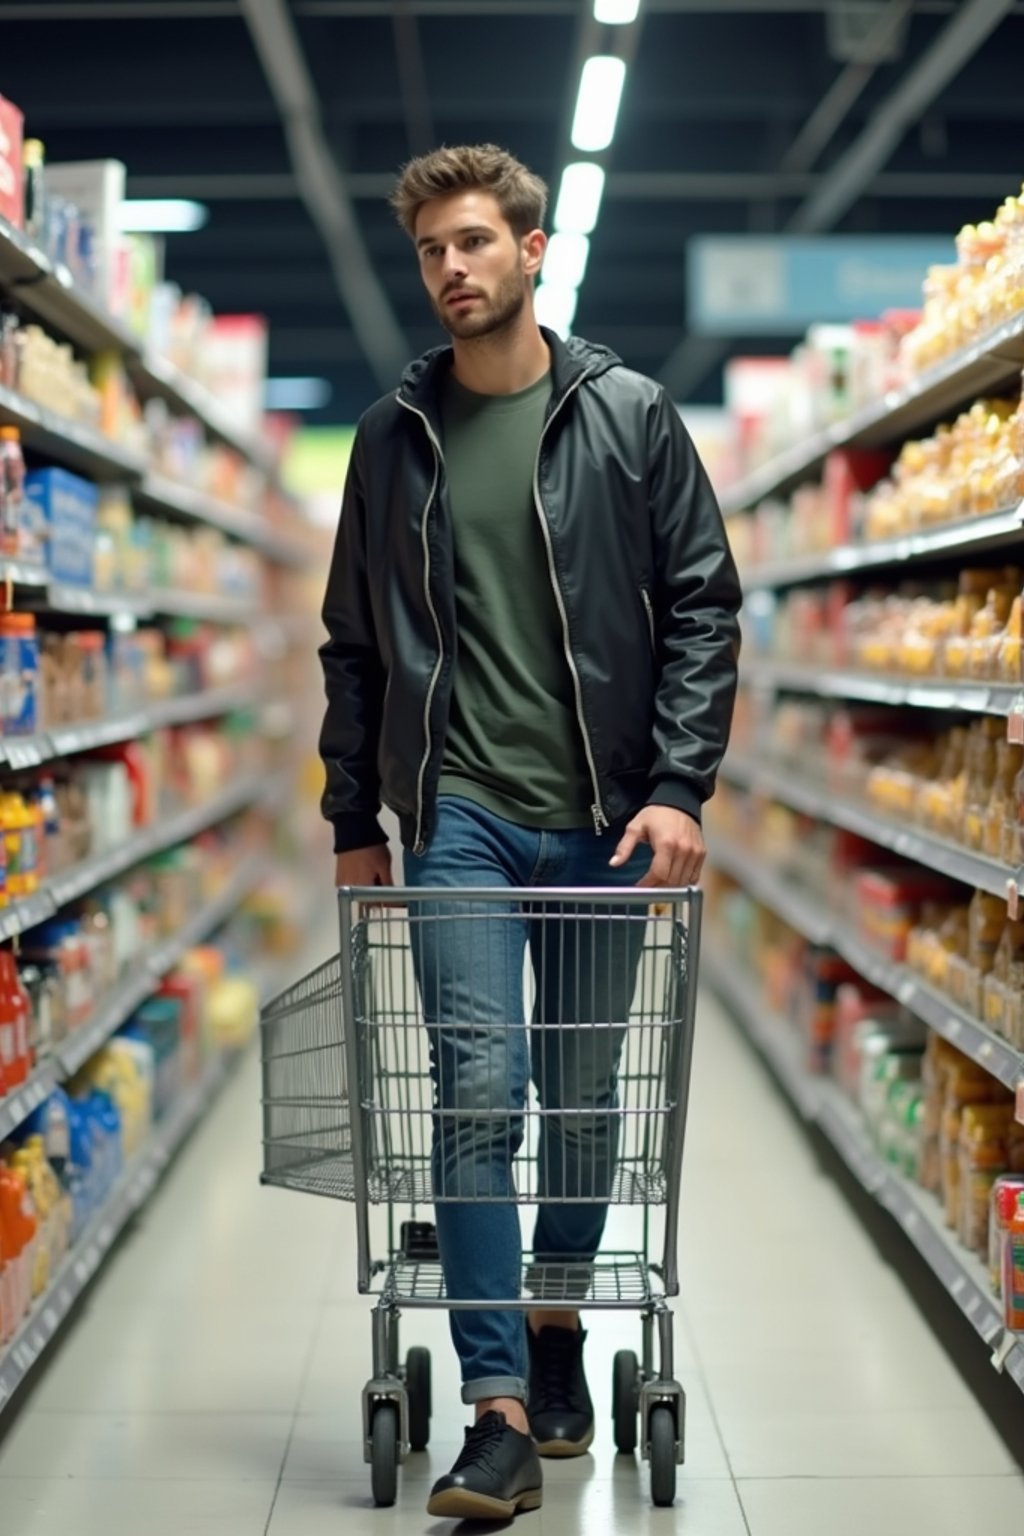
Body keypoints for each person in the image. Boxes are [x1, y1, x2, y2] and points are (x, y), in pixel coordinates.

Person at [319, 143, 741, 1522]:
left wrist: (680, 786)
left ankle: (560, 1328)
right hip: (464, 824)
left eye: (474, 243)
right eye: (432, 249)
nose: (451, 268)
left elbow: (701, 606)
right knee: (480, 1091)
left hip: (612, 825)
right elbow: (352, 644)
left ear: (531, 247)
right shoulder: (392, 441)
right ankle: (497, 1403)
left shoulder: (628, 417)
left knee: (582, 1096)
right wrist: (349, 814)